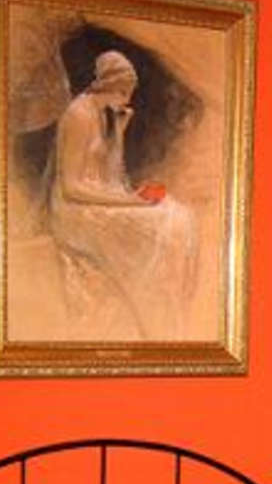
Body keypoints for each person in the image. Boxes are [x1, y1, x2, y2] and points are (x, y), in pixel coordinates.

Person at [49, 50, 199, 340]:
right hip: (75, 210)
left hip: (100, 196)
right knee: (156, 225)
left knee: (176, 215)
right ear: (109, 85)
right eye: (124, 91)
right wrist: (128, 201)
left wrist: (118, 131)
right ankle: (153, 316)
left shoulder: (100, 113)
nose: (127, 99)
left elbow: (111, 173)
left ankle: (162, 313)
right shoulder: (78, 114)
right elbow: (71, 187)